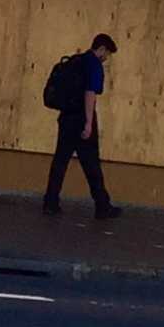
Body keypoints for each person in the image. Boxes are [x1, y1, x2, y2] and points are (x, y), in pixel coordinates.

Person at [42, 32, 120, 219]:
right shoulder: (93, 65)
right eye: (107, 53)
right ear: (101, 48)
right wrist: (88, 123)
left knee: (60, 161)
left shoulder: (77, 60)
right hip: (81, 118)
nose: (106, 58)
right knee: (91, 164)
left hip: (66, 117)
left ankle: (50, 202)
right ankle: (102, 206)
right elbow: (90, 94)